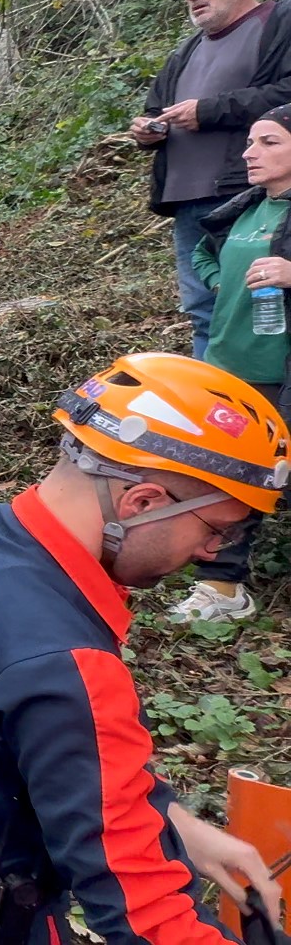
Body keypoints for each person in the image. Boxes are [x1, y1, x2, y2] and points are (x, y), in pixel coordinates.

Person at [0, 353, 287, 944]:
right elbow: (146, 915)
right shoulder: (64, 663)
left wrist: (181, 828)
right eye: (215, 530)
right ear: (144, 502)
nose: (211, 552)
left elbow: (22, 753)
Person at [134, 0, 291, 360]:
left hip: (252, 194)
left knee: (266, 304)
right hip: (188, 201)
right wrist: (148, 130)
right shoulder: (186, 50)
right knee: (205, 311)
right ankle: (218, 414)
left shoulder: (279, 22)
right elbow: (157, 108)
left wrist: (209, 110)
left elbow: (286, 92)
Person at [182, 102, 291, 621]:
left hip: (278, 372)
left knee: (261, 474)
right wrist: (222, 283)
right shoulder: (245, 208)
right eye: (251, 142)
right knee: (229, 474)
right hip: (227, 365)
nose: (251, 152)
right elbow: (203, 253)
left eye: (269, 142)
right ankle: (222, 588)